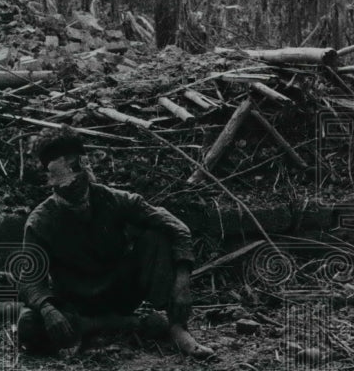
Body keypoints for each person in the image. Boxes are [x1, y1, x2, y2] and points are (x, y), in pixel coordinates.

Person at [16, 129, 214, 359]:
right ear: (50, 178)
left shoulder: (116, 200)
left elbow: (178, 228)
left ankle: (176, 327)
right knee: (28, 324)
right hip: (77, 304)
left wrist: (182, 283)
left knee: (157, 235)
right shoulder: (40, 222)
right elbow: (30, 280)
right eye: (64, 171)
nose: (75, 178)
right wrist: (47, 308)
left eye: (78, 167)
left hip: (121, 293)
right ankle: (121, 324)